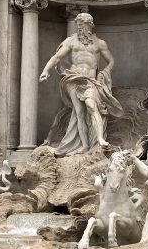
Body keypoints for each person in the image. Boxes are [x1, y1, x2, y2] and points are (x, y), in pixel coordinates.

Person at [39, 12, 123, 156]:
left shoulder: (99, 43)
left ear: (90, 25)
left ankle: (100, 139)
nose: (80, 27)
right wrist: (46, 70)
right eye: (78, 25)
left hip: (90, 80)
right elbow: (57, 56)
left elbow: (111, 61)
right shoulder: (71, 41)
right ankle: (84, 145)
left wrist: (105, 72)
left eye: (83, 24)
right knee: (79, 112)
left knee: (91, 105)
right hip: (73, 78)